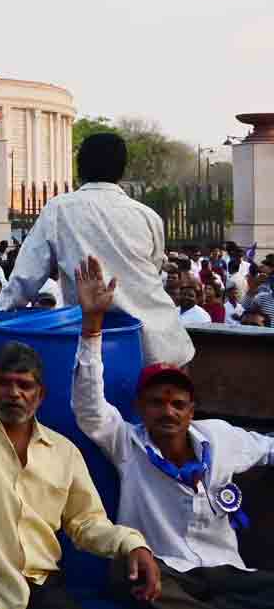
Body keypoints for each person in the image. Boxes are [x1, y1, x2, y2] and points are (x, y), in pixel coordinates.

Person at [0, 232, 160, 609]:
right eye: (4, 384)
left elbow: (86, 523)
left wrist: (132, 543)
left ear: (40, 395)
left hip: (43, 585)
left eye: (24, 385)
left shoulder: (63, 452)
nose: (14, 393)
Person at [72, 255, 274, 608]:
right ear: (140, 409)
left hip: (226, 571)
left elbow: (268, 448)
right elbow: (89, 406)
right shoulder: (127, 444)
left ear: (191, 411)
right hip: (165, 570)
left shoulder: (221, 438)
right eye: (156, 403)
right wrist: (92, 327)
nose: (168, 411)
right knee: (132, 578)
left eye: (178, 404)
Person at [0, 133, 194, 367]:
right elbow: (155, 268)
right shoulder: (148, 216)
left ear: (80, 168)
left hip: (105, 350)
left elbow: (24, 280)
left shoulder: (59, 210)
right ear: (122, 170)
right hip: (166, 345)